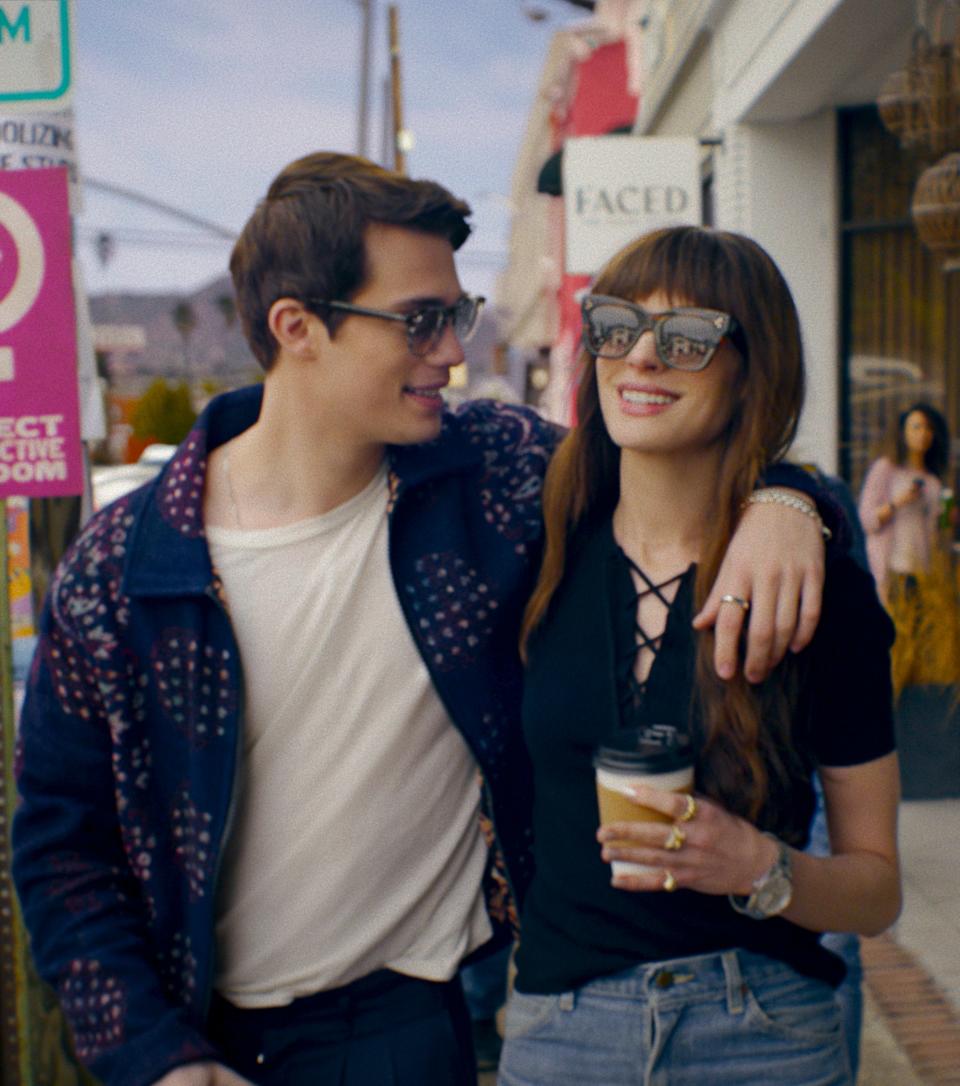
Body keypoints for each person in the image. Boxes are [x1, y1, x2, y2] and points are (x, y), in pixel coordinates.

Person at [13, 155, 836, 1086]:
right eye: (420, 321)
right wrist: (153, 1056)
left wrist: (791, 499)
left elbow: (684, 457)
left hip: (413, 1028)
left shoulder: (497, 477)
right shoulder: (121, 571)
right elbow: (59, 845)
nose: (454, 352)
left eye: (457, 314)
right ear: (298, 328)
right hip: (197, 1040)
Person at [499, 226, 901, 1085]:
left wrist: (760, 868)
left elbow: (877, 889)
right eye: (616, 326)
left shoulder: (819, 594)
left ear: (750, 370)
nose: (640, 359)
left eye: (687, 338)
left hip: (762, 1029)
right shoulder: (535, 555)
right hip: (564, 1031)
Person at [859, 402, 960, 695]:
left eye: (928, 427)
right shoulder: (886, 470)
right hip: (893, 569)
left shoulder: (932, 480)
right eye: (916, 426)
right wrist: (899, 502)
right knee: (893, 641)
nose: (923, 434)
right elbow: (867, 519)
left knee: (921, 643)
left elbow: (938, 530)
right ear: (902, 432)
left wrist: (948, 517)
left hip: (924, 570)